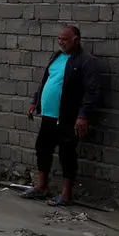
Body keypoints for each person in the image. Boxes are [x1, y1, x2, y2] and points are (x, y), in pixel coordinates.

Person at [24, 25, 101, 206]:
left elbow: (92, 91)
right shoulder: (56, 56)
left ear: (76, 40)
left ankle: (66, 195)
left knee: (67, 153)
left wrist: (83, 115)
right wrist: (35, 101)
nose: (61, 42)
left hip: (68, 116)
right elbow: (46, 80)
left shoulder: (86, 61)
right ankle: (41, 187)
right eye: (59, 39)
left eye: (65, 39)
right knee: (42, 149)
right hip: (49, 115)